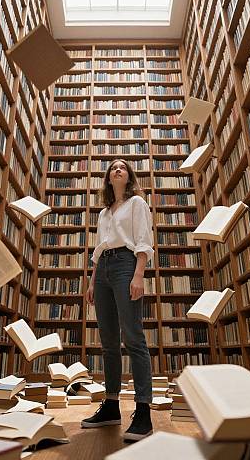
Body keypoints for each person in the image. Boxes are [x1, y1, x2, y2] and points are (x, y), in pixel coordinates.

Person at [81, 158, 154, 442]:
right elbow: (98, 251)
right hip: (104, 271)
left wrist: (139, 275)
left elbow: (144, 241)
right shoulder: (102, 214)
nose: (118, 169)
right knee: (108, 342)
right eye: (113, 168)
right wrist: (91, 281)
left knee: (134, 338)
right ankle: (111, 405)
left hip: (126, 264)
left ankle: (143, 410)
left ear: (129, 175)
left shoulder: (137, 204)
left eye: (123, 167)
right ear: (108, 178)